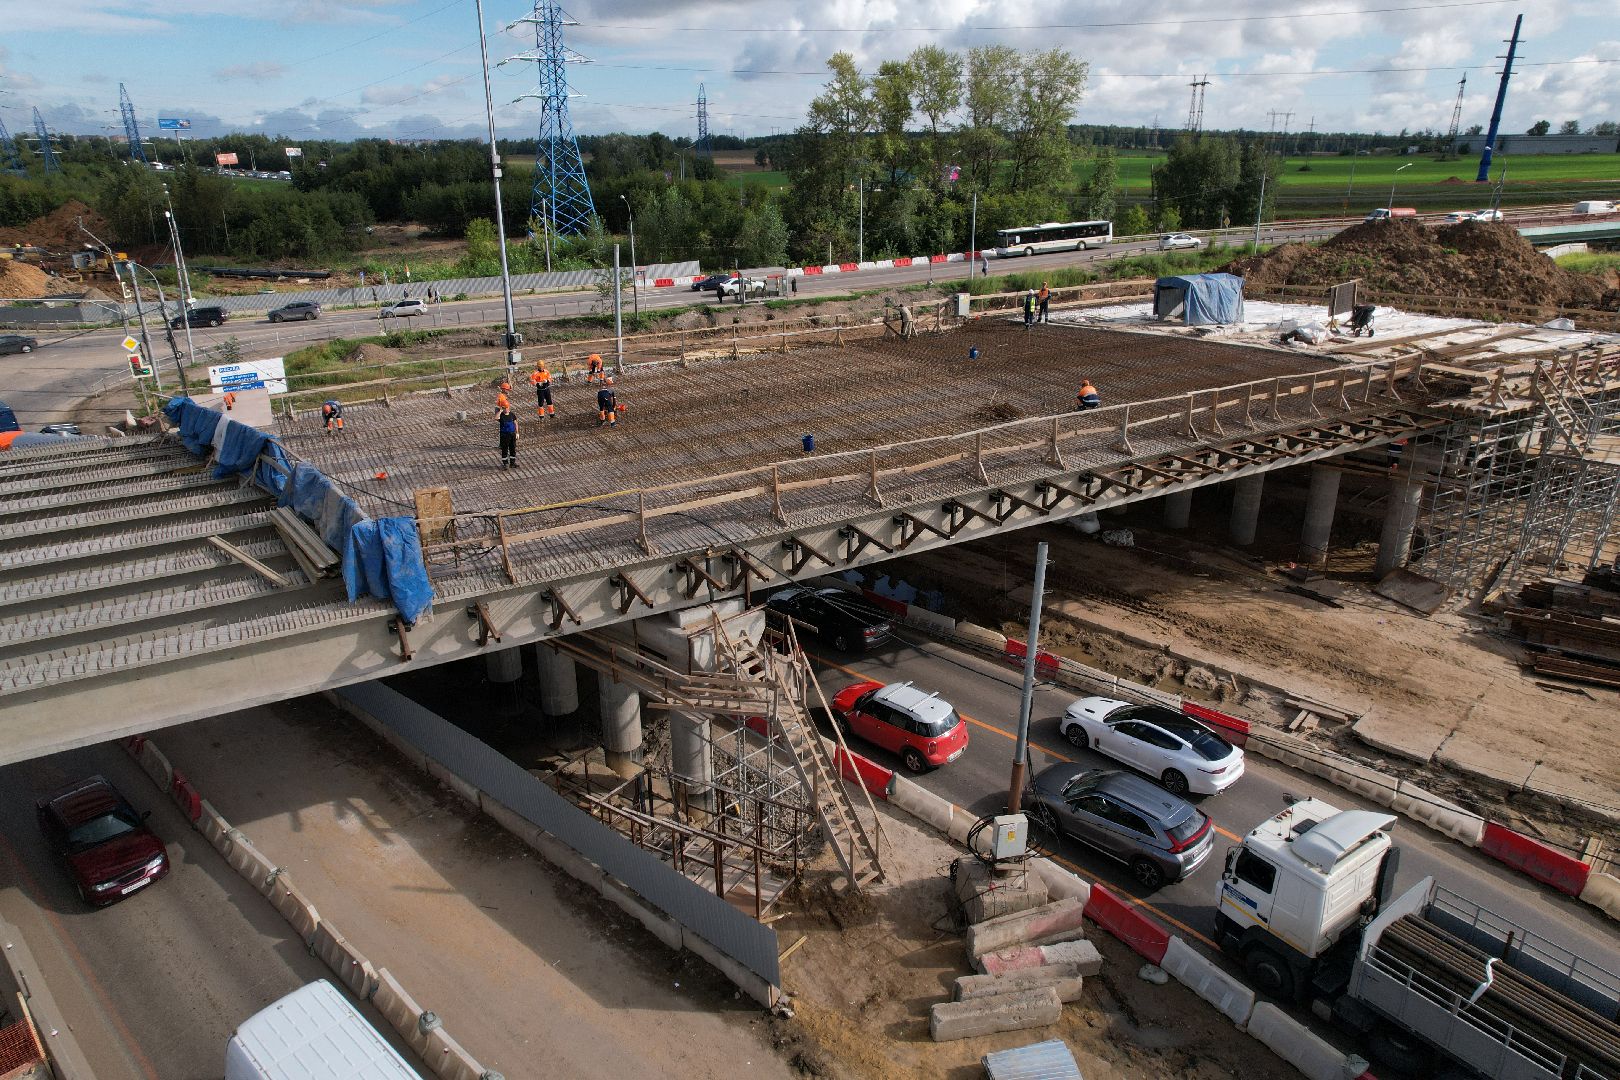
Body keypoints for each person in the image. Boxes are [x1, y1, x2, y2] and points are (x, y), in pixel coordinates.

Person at [496, 399, 518, 469]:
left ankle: (512, 463)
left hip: (512, 434)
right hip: (504, 435)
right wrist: (500, 411)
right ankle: (505, 464)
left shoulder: (512, 414)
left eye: (507, 407)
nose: (507, 409)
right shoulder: (501, 416)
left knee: (513, 449)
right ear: (503, 408)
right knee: (504, 449)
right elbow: (496, 418)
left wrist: (517, 432)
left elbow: (515, 423)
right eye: (505, 408)